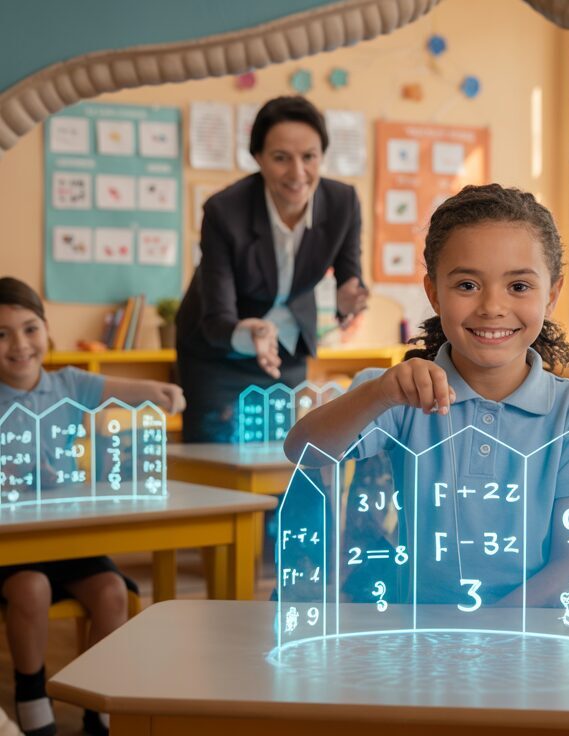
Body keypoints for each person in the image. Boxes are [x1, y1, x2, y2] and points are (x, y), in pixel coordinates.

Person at [284, 184, 569, 609]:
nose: (492, 307)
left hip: (536, 651)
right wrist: (379, 393)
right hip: (420, 648)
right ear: (433, 293)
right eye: (466, 284)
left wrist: (481, 639)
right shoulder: (399, 395)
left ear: (551, 295)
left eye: (518, 286)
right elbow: (303, 451)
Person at [0, 277, 185, 736]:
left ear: (46, 330)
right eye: (0, 334)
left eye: (29, 328)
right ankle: (31, 691)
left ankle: (96, 700)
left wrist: (167, 395)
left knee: (112, 593)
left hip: (69, 536)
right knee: (31, 589)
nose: (19, 345)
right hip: (13, 548)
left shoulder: (69, 383)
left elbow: (140, 390)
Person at [176, 95, 368, 443]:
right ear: (258, 158)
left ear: (321, 155)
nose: (298, 173)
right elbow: (217, 315)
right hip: (218, 353)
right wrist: (248, 332)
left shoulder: (343, 202)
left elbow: (349, 277)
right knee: (217, 459)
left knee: (284, 458)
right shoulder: (224, 211)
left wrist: (348, 300)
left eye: (308, 157)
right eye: (281, 158)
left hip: (287, 350)